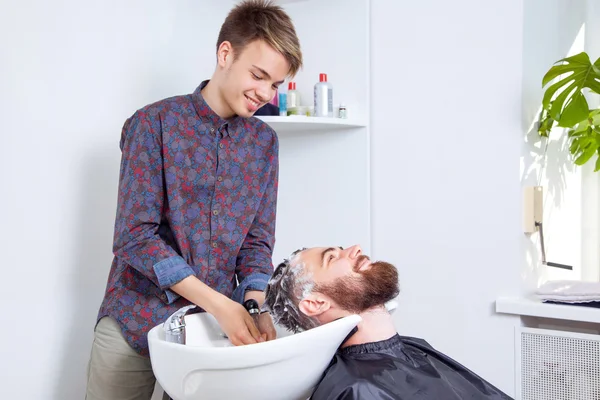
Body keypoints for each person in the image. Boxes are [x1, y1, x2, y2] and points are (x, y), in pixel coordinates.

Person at [85, 1, 302, 399]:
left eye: (275, 84)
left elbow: (256, 242)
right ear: (225, 54)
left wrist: (254, 305)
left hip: (207, 335)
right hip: (135, 318)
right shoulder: (153, 124)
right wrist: (221, 304)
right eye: (259, 76)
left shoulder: (264, 144)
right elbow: (134, 236)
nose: (265, 94)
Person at [263, 245, 513, 400]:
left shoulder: (415, 347)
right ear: (316, 303)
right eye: (332, 258)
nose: (355, 249)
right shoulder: (355, 390)